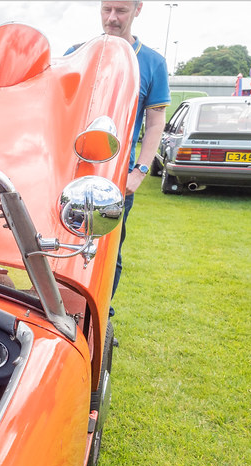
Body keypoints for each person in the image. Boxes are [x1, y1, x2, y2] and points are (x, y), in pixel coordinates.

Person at [67, 1, 169, 311]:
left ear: (138, 9)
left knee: (109, 253)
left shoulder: (152, 62)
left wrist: (139, 171)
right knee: (64, 246)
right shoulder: (77, 53)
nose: (112, 18)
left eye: (121, 10)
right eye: (106, 9)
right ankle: (62, 313)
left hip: (117, 180)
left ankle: (98, 316)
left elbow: (155, 123)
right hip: (72, 175)